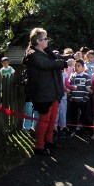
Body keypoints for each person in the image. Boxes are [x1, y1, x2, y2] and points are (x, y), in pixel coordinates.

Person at [22, 27, 73, 155]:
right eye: (45, 38)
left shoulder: (45, 51)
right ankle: (39, 146)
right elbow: (47, 64)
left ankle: (49, 140)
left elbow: (57, 57)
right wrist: (65, 64)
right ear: (39, 41)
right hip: (43, 93)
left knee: (52, 119)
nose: (47, 41)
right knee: (44, 120)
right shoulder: (33, 55)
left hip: (53, 92)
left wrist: (70, 57)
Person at [67, 59, 92, 138]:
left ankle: (85, 131)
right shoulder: (72, 76)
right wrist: (70, 96)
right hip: (74, 100)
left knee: (84, 116)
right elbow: (70, 87)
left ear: (83, 67)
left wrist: (85, 98)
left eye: (79, 66)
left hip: (83, 100)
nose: (76, 67)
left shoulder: (86, 76)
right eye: (75, 66)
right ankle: (73, 130)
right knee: (73, 115)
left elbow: (88, 89)